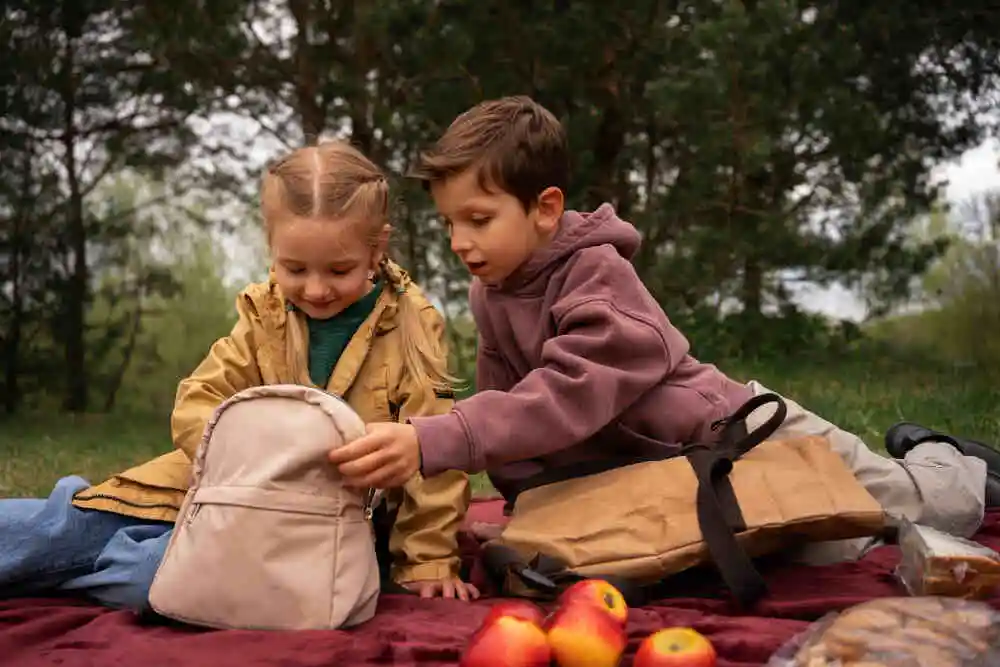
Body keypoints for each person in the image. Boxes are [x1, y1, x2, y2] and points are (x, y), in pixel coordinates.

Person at [329, 95, 995, 563]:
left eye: (478, 218)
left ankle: (948, 456)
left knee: (918, 510)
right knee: (823, 549)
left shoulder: (596, 274)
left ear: (545, 208)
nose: (459, 241)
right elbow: (510, 420)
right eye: (448, 223)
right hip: (671, 477)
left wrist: (437, 439)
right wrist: (533, 510)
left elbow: (567, 394)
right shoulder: (490, 291)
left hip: (741, 438)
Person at [0, 140, 478, 613]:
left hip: (318, 528)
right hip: (208, 490)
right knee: (66, 525)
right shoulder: (262, 314)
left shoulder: (414, 325)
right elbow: (197, 402)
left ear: (377, 250)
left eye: (339, 270)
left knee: (154, 577)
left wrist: (428, 559)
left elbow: (433, 452)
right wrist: (255, 458)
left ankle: (80, 571)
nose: (315, 288)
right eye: (294, 268)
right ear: (272, 248)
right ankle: (83, 551)